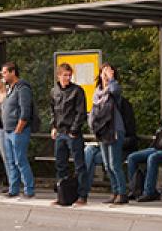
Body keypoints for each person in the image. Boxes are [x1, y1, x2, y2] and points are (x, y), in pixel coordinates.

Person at [90, 63, 127, 205]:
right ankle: (115, 191)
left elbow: (115, 90)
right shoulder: (97, 92)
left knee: (114, 164)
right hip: (102, 130)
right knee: (106, 164)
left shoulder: (113, 91)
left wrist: (111, 78)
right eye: (103, 73)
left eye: (108, 72)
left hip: (115, 129)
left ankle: (122, 193)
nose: (104, 76)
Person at [49, 63, 86, 206]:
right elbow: (53, 110)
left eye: (69, 75)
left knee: (79, 165)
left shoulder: (77, 91)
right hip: (60, 132)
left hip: (72, 133)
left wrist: (74, 130)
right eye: (65, 75)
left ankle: (82, 195)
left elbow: (80, 112)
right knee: (60, 165)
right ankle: (62, 195)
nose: (67, 78)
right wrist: (53, 127)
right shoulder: (54, 91)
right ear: (59, 75)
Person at [0, 62, 36, 199]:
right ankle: (13, 188)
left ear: (12, 72)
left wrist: (19, 128)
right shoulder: (10, 88)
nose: (3, 76)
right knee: (11, 161)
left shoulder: (22, 87)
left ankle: (29, 189)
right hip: (7, 130)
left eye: (4, 73)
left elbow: (25, 110)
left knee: (20, 160)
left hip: (18, 130)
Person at [129, 131, 162, 202]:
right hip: (158, 147)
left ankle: (149, 192)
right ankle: (135, 190)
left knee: (152, 158)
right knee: (132, 157)